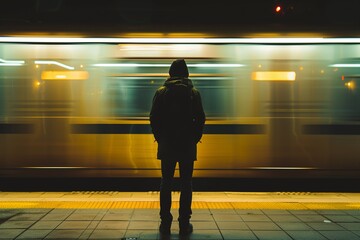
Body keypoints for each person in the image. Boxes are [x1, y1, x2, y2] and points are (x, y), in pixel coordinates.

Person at [150, 59, 206, 235]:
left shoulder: (161, 92)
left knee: (166, 182)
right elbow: (201, 118)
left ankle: (165, 220)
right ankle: (184, 221)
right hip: (187, 145)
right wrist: (194, 138)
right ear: (187, 73)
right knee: (186, 183)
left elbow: (153, 118)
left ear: (170, 73)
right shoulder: (193, 93)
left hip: (167, 144)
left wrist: (160, 138)